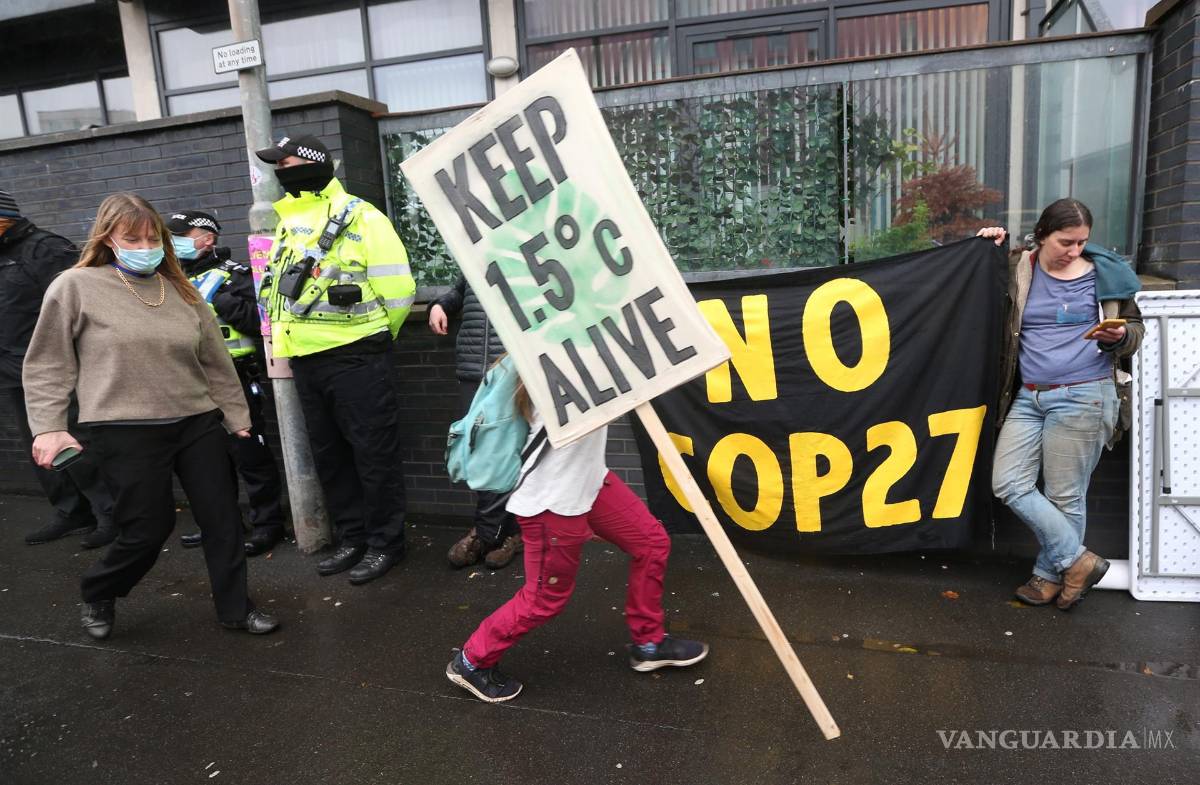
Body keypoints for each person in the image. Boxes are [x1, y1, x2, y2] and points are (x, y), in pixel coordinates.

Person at [22, 192, 278, 640]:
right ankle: (100, 589)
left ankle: (237, 608)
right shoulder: (75, 287)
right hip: (123, 428)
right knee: (148, 528)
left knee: (222, 518)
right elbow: (47, 363)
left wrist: (238, 417)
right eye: (132, 238)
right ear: (108, 238)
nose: (144, 247)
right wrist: (49, 427)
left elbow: (215, 360)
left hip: (196, 420)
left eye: (151, 238)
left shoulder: (181, 290)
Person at [445, 375, 708, 703]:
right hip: (551, 498)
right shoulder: (542, 361)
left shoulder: (579, 348)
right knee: (544, 598)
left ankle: (649, 644)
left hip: (590, 480)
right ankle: (471, 661)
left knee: (651, 542)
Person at [256, 135, 415, 585]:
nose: (279, 172)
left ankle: (386, 544)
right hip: (306, 359)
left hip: (357, 355)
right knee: (331, 456)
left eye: (284, 163)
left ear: (310, 164)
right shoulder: (289, 221)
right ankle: (353, 536)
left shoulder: (363, 217)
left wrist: (375, 339)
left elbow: (399, 291)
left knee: (373, 454)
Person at [979, 198, 1143, 611]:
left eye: (1082, 242)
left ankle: (1048, 578)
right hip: (1030, 394)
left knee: (1065, 496)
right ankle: (1078, 561)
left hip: (1085, 394)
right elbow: (978, 279)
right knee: (1008, 482)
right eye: (1065, 242)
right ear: (1042, 235)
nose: (1074, 250)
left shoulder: (1104, 275)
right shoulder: (1022, 268)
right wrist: (985, 245)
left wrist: (1119, 338)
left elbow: (1136, 331)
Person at [0, 188, 116, 549]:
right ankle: (71, 511)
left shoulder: (47, 249)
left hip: (52, 371)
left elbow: (83, 304)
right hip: (11, 370)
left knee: (76, 445)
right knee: (39, 449)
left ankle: (110, 515)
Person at [166, 210, 286, 557]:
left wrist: (231, 306)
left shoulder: (236, 277)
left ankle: (268, 526)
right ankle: (222, 525)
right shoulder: (174, 279)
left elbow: (265, 323)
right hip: (191, 383)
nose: (173, 243)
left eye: (181, 235)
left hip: (235, 379)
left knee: (251, 456)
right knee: (209, 463)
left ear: (207, 238)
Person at [429, 275, 523, 569]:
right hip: (473, 367)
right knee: (480, 452)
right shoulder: (476, 247)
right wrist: (439, 304)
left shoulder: (523, 247)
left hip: (509, 368)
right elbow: (460, 289)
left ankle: (489, 533)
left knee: (502, 454)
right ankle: (504, 532)